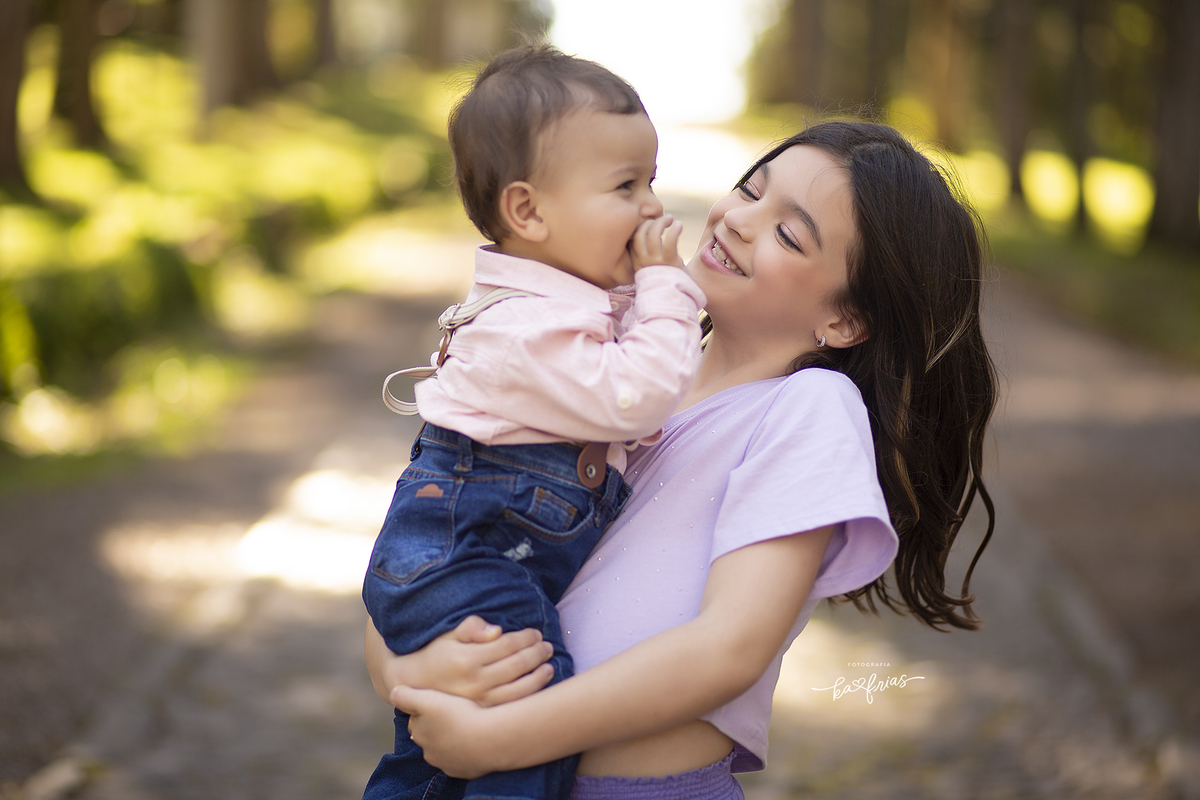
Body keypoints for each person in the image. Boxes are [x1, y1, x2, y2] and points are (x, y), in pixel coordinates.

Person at [364, 120, 999, 800]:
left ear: (843, 322)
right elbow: (424, 544)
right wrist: (411, 668)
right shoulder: (609, 371)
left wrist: (503, 739)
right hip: (465, 771)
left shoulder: (809, 407)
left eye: (790, 233)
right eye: (751, 190)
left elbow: (729, 649)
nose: (741, 220)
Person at [361, 46, 706, 800]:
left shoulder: (567, 311)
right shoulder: (528, 329)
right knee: (531, 708)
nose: (652, 207)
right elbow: (639, 398)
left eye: (651, 180)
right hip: (466, 560)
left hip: (479, 555)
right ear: (527, 211)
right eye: (625, 186)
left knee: (436, 755)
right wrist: (666, 291)